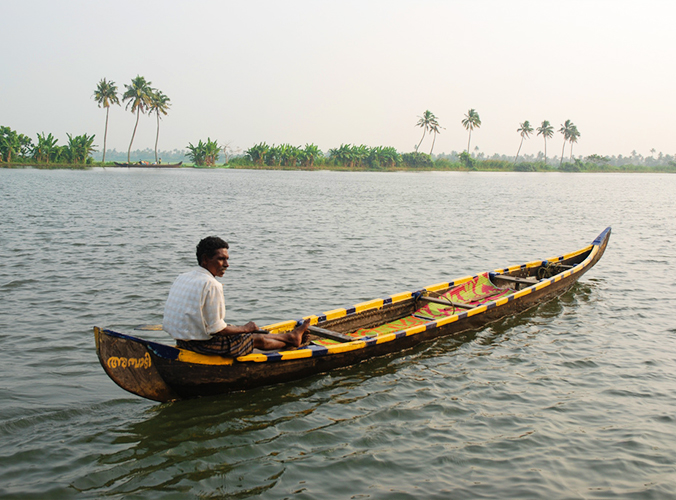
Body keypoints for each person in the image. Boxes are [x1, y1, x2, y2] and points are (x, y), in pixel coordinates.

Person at [163, 236, 309, 356]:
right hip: (202, 347)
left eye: (227, 259)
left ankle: (290, 337)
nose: (226, 264)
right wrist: (246, 328)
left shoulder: (183, 277)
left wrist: (241, 329)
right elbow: (217, 330)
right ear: (206, 259)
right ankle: (291, 339)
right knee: (253, 339)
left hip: (181, 341)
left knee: (238, 331)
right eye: (221, 259)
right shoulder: (211, 284)